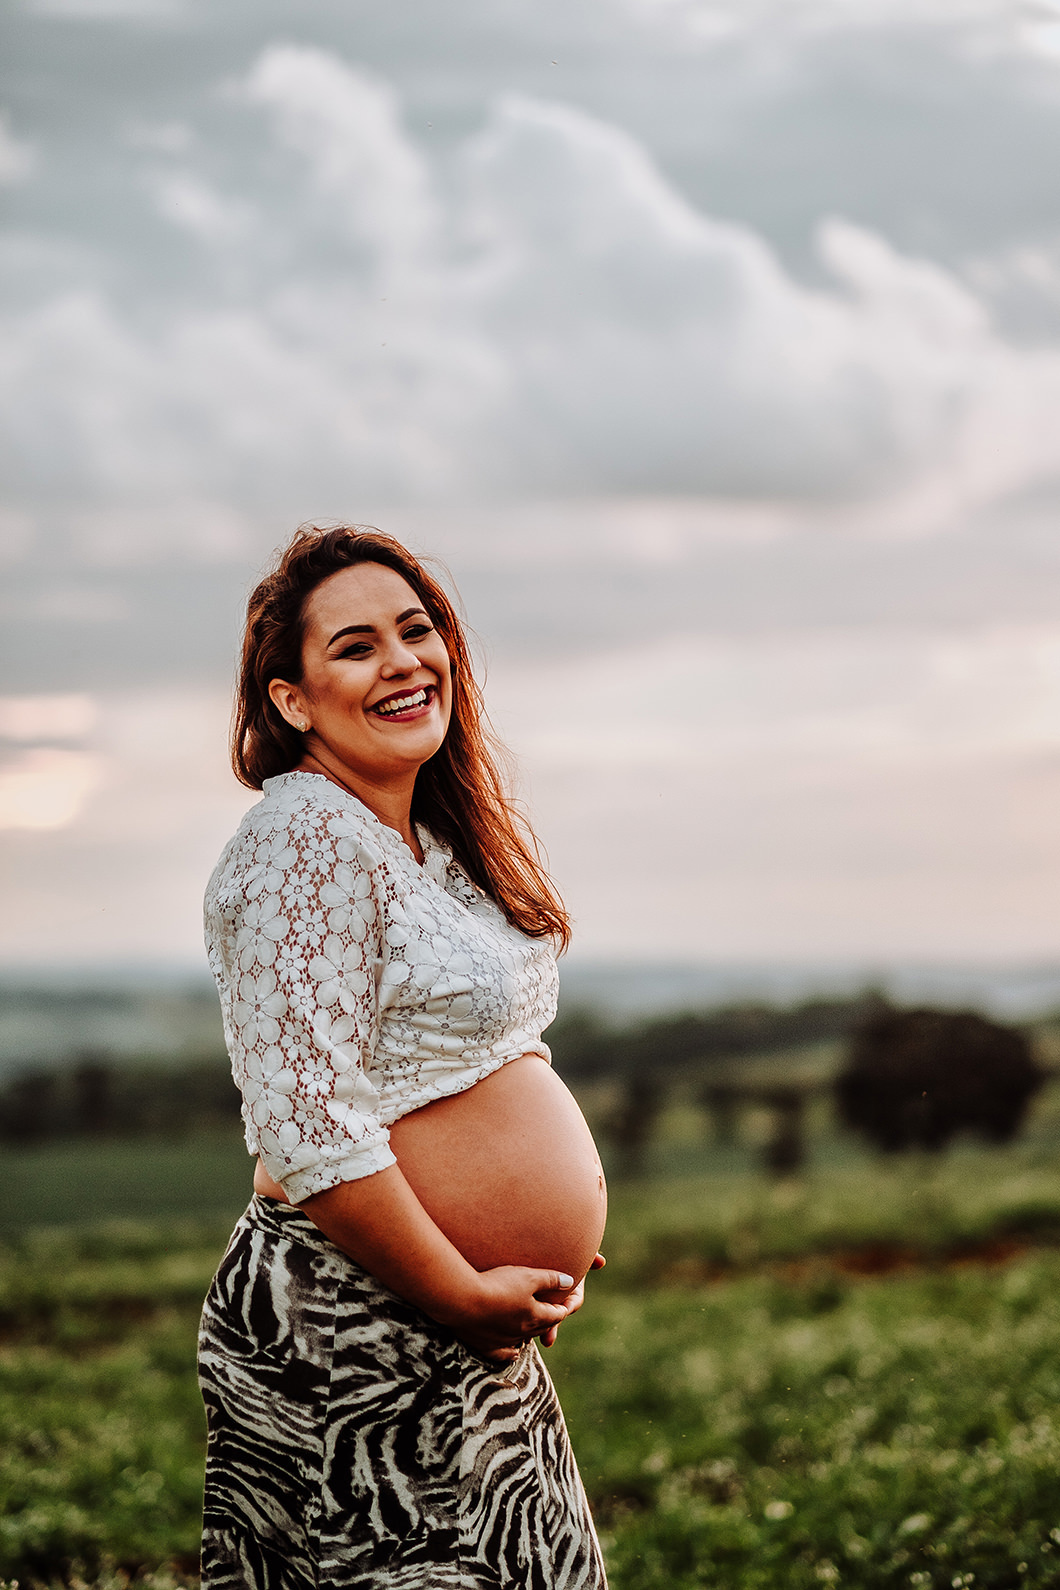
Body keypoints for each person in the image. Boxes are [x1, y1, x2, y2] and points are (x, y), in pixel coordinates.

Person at [199, 525, 609, 1590]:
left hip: (442, 1314)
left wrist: (530, 1225)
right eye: (356, 646)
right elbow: (308, 1125)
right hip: (356, 1321)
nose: (402, 662)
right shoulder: (303, 839)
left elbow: (469, 1060)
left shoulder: (425, 841)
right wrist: (461, 1286)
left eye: (416, 630)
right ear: (292, 700)